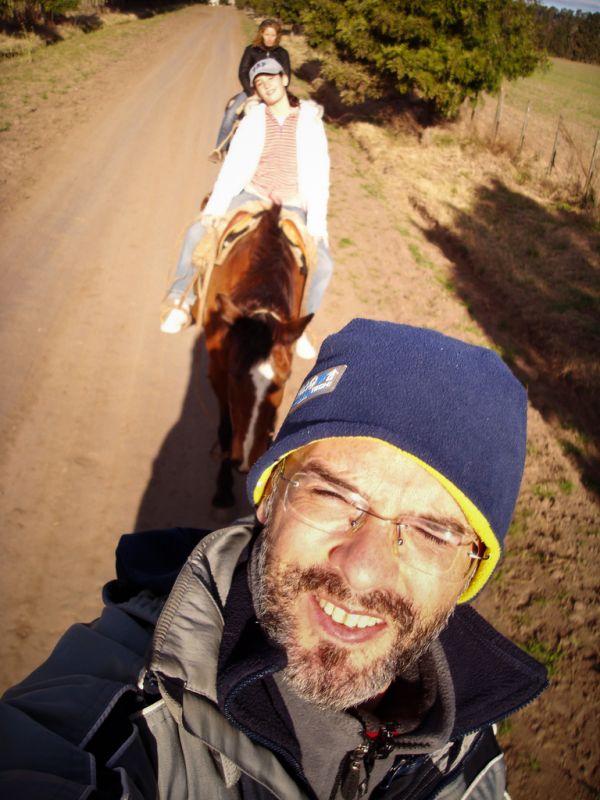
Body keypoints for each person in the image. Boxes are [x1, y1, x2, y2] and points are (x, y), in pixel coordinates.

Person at [0, 318, 548, 799]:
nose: (361, 568)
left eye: (431, 532)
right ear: (269, 496)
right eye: (333, 497)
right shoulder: (125, 708)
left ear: (470, 571)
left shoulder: (469, 747)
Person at [161, 57, 332, 360]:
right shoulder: (253, 119)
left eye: (270, 79)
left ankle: (299, 326)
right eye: (260, 84)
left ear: (284, 79)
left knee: (325, 265)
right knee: (196, 232)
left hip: (292, 203)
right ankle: (180, 300)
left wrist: (317, 225)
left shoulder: (309, 121)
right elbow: (234, 166)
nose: (266, 86)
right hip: (252, 194)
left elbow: (320, 174)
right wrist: (214, 208)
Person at [212, 18, 291, 158]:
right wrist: (252, 92)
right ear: (261, 33)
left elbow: (286, 75)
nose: (269, 38)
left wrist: (276, 93)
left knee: (291, 117)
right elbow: (243, 72)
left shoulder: (282, 53)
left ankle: (287, 154)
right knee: (231, 113)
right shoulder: (251, 50)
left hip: (274, 92)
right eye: (267, 34)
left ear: (277, 36)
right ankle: (220, 148)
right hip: (252, 91)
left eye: (273, 35)